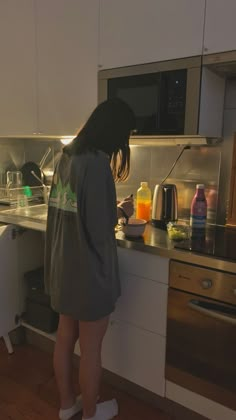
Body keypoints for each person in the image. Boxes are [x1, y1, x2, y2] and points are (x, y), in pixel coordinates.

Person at [44, 98, 136, 420]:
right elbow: (98, 228)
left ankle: (67, 405)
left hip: (64, 269)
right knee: (91, 349)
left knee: (65, 338)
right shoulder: (96, 164)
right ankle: (92, 413)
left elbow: (70, 211)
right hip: (88, 275)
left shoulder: (66, 157)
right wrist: (122, 211)